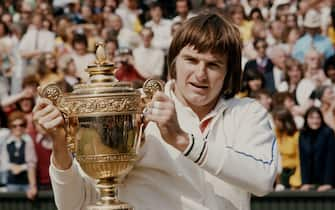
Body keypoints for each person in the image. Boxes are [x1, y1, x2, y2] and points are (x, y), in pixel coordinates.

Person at [33, 13, 278, 210]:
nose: (201, 74)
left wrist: (182, 141)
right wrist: (60, 146)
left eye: (213, 65)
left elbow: (262, 180)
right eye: (191, 60)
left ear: (229, 72)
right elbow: (74, 204)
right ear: (174, 61)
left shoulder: (248, 113)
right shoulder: (134, 109)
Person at [299, 107, 335, 192]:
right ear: (306, 119)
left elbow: (330, 159)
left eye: (318, 118)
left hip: (328, 180)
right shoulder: (303, 134)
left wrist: (328, 183)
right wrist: (305, 182)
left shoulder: (328, 133)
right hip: (311, 181)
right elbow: (303, 160)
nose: (315, 121)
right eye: (311, 118)